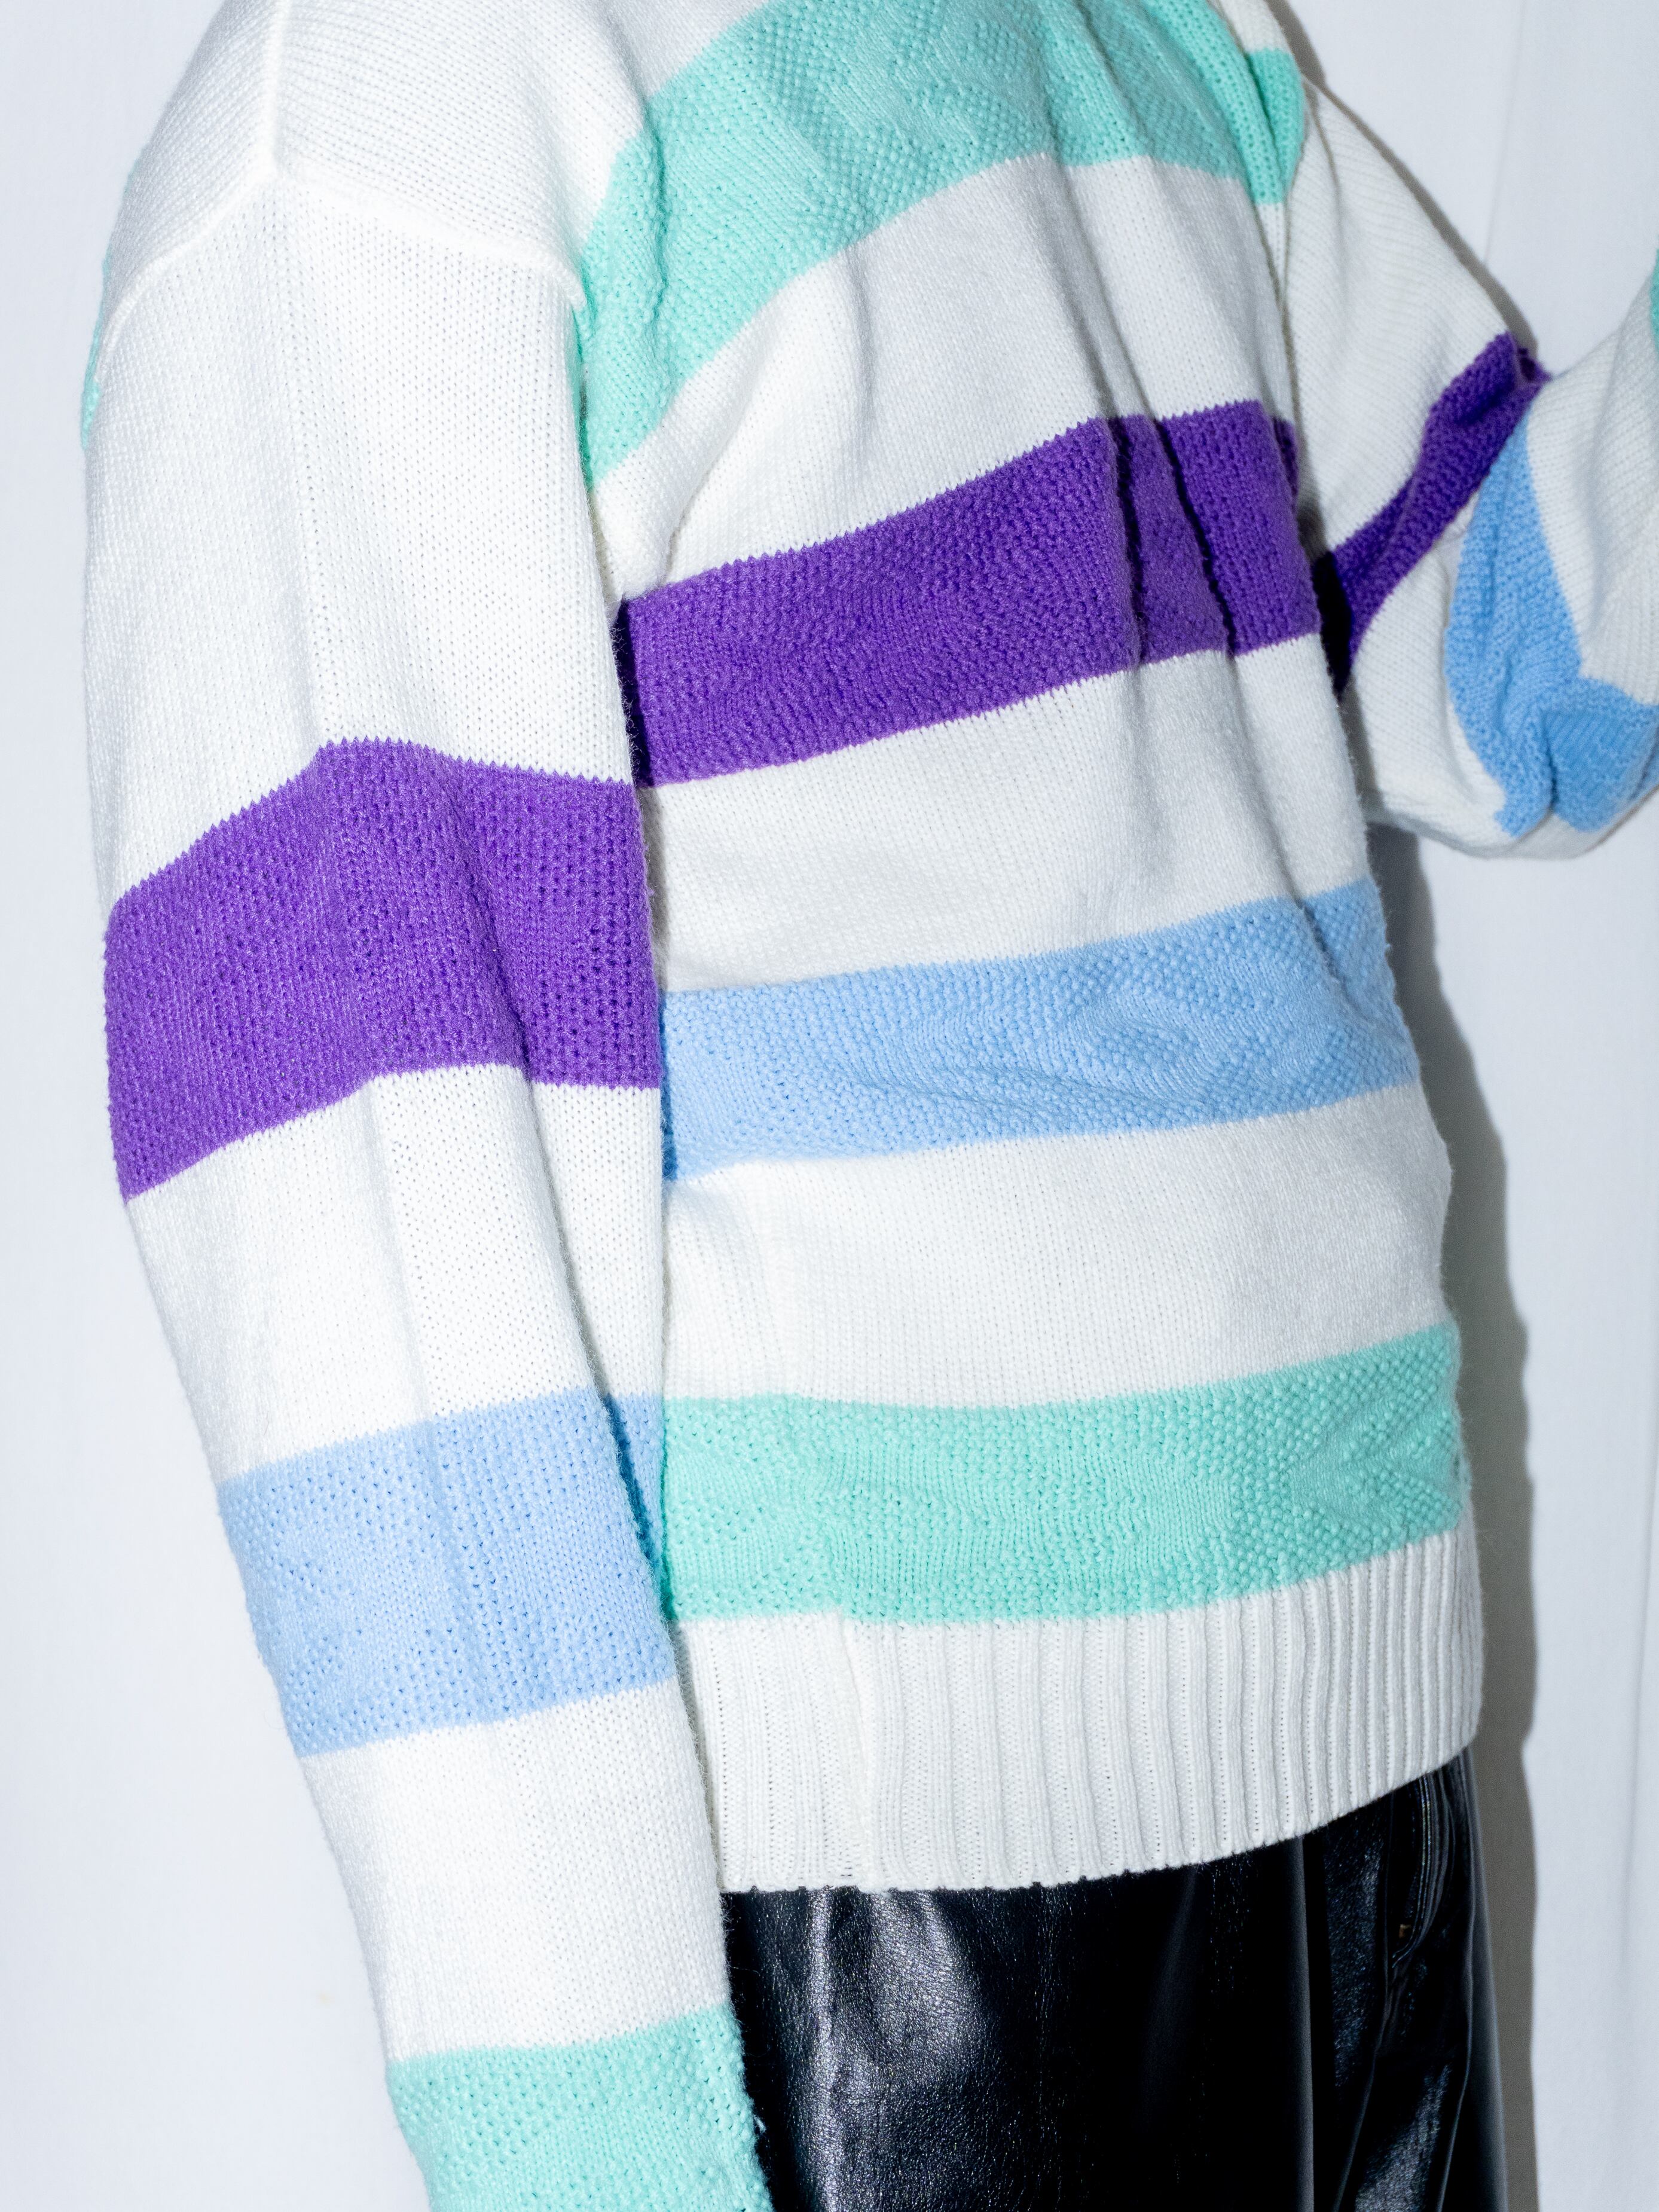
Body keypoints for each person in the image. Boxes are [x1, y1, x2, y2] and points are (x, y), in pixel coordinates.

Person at [81, 0, 1659, 2205]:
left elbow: (1506, 678)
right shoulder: (389, 99)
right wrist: (590, 2156)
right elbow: (359, 1232)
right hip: (887, 1944)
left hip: (1369, 1758)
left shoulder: (1149, 27)